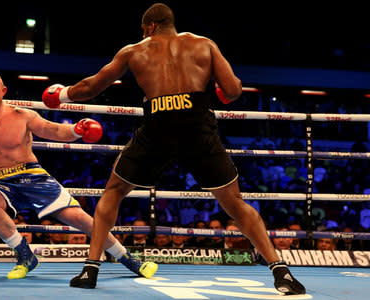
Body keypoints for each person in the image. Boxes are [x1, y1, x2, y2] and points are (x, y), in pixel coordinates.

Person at [42, 3, 305, 294]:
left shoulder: (134, 50)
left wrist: (62, 94)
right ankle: (281, 273)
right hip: (197, 123)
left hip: (159, 124)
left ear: (150, 26)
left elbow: (93, 86)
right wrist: (219, 88)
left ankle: (91, 269)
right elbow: (232, 91)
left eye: (144, 30)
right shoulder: (204, 45)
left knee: (114, 191)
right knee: (235, 204)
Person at [0, 72, 157, 281]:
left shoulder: (23, 115)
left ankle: (129, 260)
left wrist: (78, 130)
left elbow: (54, 131)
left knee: (82, 220)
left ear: (3, 91)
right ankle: (25, 256)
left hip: (33, 176)